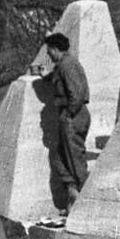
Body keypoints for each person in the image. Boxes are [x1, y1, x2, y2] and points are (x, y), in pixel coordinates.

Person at [30, 29, 90, 223]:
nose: (48, 54)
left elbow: (77, 93)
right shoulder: (62, 65)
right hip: (70, 114)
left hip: (74, 115)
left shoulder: (68, 65)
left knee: (74, 159)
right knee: (60, 156)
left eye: (50, 50)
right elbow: (55, 80)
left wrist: (69, 114)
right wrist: (41, 74)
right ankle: (73, 192)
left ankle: (84, 199)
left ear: (56, 49)